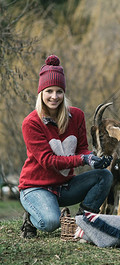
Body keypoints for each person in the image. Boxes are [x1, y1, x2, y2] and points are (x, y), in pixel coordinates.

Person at [19, 55, 113, 238]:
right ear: (41, 93)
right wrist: (83, 159)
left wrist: (94, 159)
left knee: (105, 176)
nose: (54, 97)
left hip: (64, 186)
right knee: (50, 222)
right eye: (49, 91)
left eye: (59, 91)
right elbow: (48, 161)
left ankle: (82, 222)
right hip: (36, 187)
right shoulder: (31, 123)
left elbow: (82, 150)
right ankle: (31, 217)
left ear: (64, 93)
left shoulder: (76, 116)